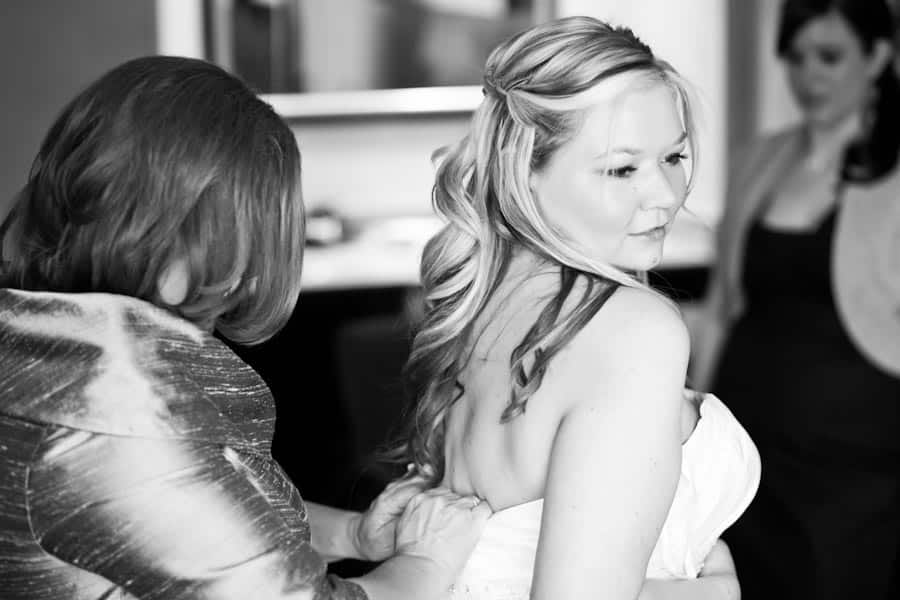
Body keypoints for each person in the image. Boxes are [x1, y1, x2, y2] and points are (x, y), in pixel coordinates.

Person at [0, 56, 491, 600]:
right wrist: (426, 561)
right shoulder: (118, 406)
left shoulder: (46, 340)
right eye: (247, 234)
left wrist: (354, 534)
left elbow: (192, 523)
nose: (247, 273)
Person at [390, 16, 761, 600]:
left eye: (674, 157)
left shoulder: (483, 308)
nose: (666, 195)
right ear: (525, 171)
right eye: (622, 168)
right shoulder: (635, 331)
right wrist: (712, 595)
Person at [690, 1, 900, 598]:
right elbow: (722, 306)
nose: (809, 76)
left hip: (857, 460)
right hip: (752, 443)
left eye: (829, 57)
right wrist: (696, 430)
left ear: (877, 57)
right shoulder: (759, 157)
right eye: (797, 57)